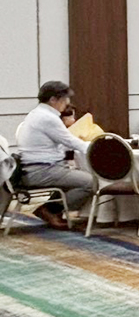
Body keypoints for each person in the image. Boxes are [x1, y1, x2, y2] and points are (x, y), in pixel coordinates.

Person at [15, 81, 92, 228]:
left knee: (75, 177)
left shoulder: (36, 114)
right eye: (64, 99)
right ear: (53, 100)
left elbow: (62, 142)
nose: (67, 102)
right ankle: (50, 210)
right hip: (43, 170)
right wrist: (96, 148)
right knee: (91, 182)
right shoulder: (47, 118)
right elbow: (70, 141)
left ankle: (51, 210)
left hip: (33, 169)